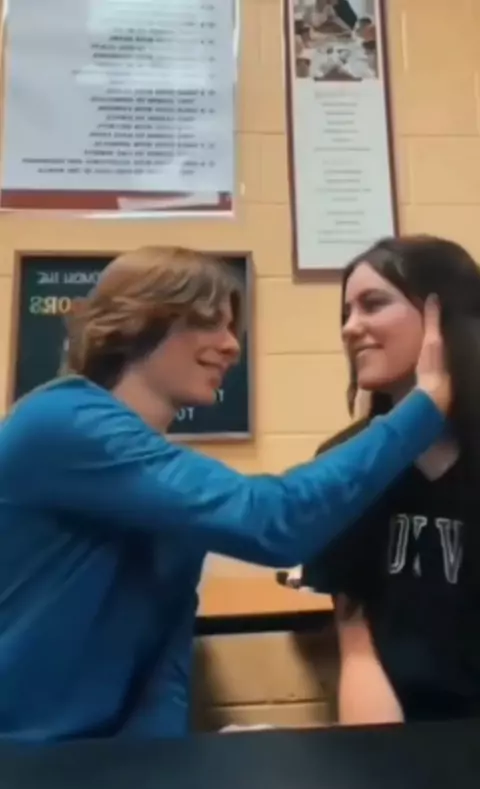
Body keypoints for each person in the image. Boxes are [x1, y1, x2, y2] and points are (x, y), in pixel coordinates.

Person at [0, 245, 449, 743]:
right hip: (23, 758)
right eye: (209, 322)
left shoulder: (147, 466)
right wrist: (426, 404)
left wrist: (160, 766)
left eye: (232, 328)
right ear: (136, 323)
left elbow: (164, 659)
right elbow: (273, 522)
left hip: (101, 763)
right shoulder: (59, 422)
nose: (232, 346)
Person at [302, 234, 480, 725]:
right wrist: (382, 755)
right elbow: (357, 640)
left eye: (373, 304)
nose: (350, 328)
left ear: (441, 315)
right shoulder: (346, 463)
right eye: (346, 312)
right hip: (399, 726)